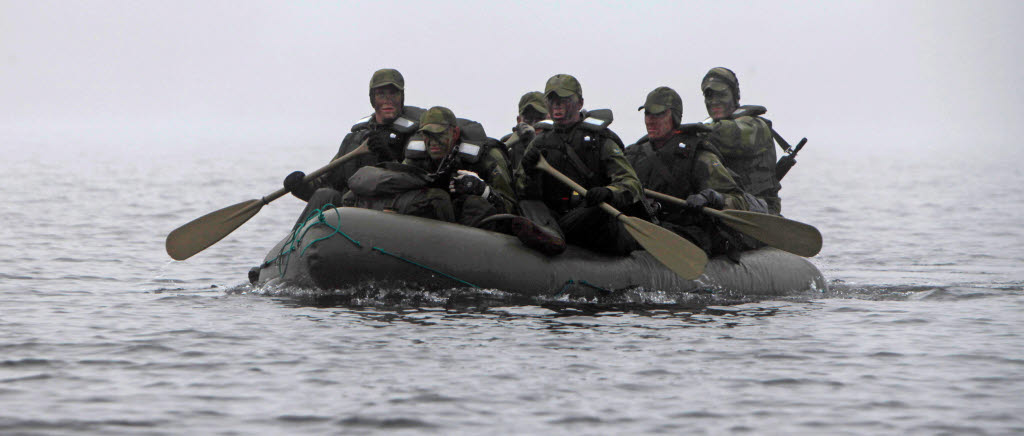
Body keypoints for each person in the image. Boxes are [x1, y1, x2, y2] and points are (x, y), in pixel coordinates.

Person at [515, 74, 646, 256]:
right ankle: (549, 235)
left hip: (593, 219)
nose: (557, 105)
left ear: (580, 103)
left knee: (597, 211)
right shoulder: (539, 143)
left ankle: (554, 236)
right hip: (559, 220)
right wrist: (530, 174)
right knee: (527, 203)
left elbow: (631, 183)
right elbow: (523, 190)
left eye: (564, 100)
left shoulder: (599, 140)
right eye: (552, 100)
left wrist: (609, 193)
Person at [626, 86, 763, 257]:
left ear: (674, 116)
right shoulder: (634, 155)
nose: (650, 120)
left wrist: (712, 198)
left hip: (688, 232)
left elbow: (738, 201)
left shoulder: (698, 156)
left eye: (659, 114)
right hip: (646, 225)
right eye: (647, 114)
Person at [282, 68, 426, 226]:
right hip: (351, 214)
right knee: (325, 195)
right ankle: (292, 247)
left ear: (402, 97)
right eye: (381, 94)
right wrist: (300, 187)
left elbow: (417, 181)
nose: (388, 100)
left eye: (394, 93)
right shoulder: (355, 139)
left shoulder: (415, 136)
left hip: (387, 214)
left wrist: (389, 159)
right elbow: (327, 184)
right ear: (373, 99)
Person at [342, 106, 516, 228]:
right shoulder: (418, 155)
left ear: (454, 133)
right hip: (439, 223)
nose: (433, 142)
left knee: (473, 205)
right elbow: (401, 181)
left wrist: (483, 190)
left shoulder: (489, 157)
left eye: (439, 135)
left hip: (478, 229)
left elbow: (512, 207)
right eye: (427, 135)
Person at [701, 67, 782, 214]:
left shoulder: (755, 126)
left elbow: (725, 135)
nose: (714, 101)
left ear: (734, 95)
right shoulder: (705, 129)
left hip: (759, 210)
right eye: (709, 96)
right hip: (719, 205)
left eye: (721, 95)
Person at [501, 91, 549, 169]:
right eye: (528, 119)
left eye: (539, 119)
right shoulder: (507, 148)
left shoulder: (558, 145)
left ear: (549, 119)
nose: (533, 124)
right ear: (519, 120)